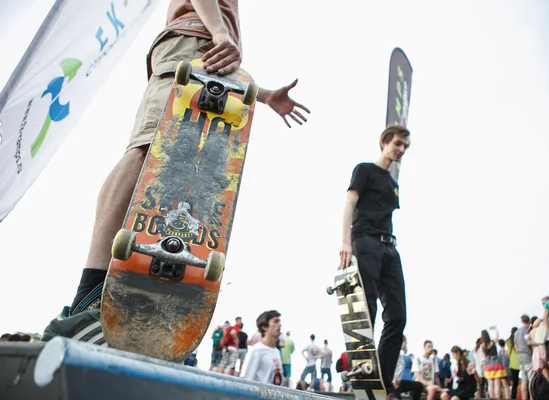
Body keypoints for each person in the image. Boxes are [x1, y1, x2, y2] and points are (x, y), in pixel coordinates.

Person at [40, 0, 310, 343]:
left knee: (174, 174)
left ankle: (120, 295)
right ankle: (86, 301)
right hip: (193, 40)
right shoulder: (212, 27)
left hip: (203, 48)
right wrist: (221, 32)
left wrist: (266, 95)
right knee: (149, 149)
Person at [338, 124, 410, 399]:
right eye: (398, 144)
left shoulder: (393, 184)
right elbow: (349, 203)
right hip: (365, 241)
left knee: (398, 317)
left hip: (390, 249)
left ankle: (382, 381)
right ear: (385, 141)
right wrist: (345, 242)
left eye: (405, 147)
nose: (401, 150)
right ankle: (363, 374)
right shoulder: (364, 170)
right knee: (365, 311)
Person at [240, 310, 283, 386]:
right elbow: (246, 381)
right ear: (265, 327)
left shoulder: (277, 352)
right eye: (275, 322)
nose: (279, 325)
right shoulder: (256, 351)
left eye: (279, 322)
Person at [480, 327, 509, 399]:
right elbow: (497, 336)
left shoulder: (482, 346)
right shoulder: (492, 342)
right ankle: (497, 397)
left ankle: (492, 397)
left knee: (490, 383)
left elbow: (484, 356)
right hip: (496, 364)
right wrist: (495, 329)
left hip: (488, 365)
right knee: (497, 383)